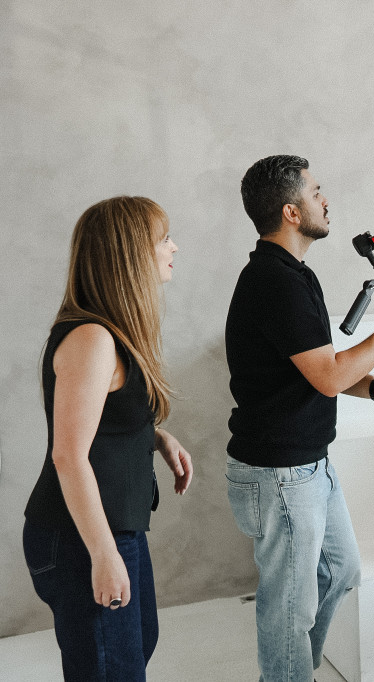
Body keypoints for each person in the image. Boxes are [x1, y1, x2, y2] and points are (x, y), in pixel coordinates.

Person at [224, 155, 374, 681]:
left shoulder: (292, 275)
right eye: (316, 192)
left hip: (307, 465)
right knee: (290, 606)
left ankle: (295, 673)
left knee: (339, 571)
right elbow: (328, 378)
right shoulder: (275, 281)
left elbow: (319, 371)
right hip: (281, 474)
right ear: (291, 211)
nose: (325, 200)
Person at [23, 196, 194, 680]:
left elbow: (100, 421)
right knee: (111, 670)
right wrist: (102, 554)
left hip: (115, 528)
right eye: (164, 239)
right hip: (80, 538)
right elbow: (69, 455)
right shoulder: (92, 339)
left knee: (135, 649)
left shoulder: (112, 333)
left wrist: (156, 437)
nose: (173, 247)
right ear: (129, 253)